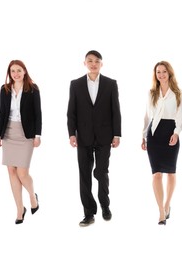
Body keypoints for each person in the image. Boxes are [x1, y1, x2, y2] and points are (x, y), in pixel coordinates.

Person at [67, 50, 122, 227]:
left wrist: (117, 134)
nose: (93, 64)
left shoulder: (110, 84)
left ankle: (105, 206)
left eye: (96, 61)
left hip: (105, 136)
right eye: (90, 61)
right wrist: (71, 134)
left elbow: (116, 111)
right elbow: (71, 112)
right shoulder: (75, 84)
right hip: (82, 136)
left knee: (101, 171)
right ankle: (88, 213)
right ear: (84, 63)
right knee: (84, 176)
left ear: (101, 64)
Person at [0, 60, 42, 224]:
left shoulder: (33, 89)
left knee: (22, 173)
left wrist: (38, 135)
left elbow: (38, 113)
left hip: (26, 134)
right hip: (8, 132)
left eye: (19, 70)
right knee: (12, 172)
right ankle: (19, 209)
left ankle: (32, 196)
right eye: (13, 71)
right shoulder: (5, 89)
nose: (16, 74)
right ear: (9, 73)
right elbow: (2, 113)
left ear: (24, 71)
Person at [141, 61, 182, 225]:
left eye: (164, 71)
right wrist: (143, 136)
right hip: (154, 134)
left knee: (171, 173)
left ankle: (167, 205)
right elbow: (147, 116)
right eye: (158, 72)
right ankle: (160, 211)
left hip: (170, 132)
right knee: (156, 173)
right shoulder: (151, 93)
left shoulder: (178, 93)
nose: (161, 75)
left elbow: (181, 115)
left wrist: (176, 133)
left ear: (169, 73)